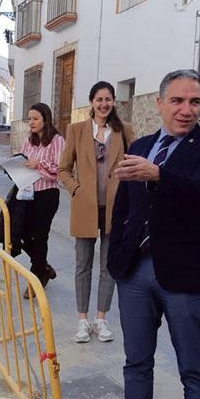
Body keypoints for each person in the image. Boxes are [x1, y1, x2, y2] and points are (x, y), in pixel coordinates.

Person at [105, 70, 200, 399]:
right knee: (136, 363)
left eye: (194, 101)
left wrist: (158, 174)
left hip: (184, 276)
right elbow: (124, 203)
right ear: (158, 104)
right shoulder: (140, 145)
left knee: (194, 369)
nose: (186, 110)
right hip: (136, 273)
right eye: (177, 101)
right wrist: (117, 253)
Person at [58, 81, 134, 343]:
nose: (104, 104)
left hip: (115, 208)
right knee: (82, 265)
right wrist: (76, 189)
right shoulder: (76, 130)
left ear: (114, 102)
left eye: (108, 99)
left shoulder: (124, 131)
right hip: (85, 207)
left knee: (108, 266)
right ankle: (82, 320)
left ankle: (101, 319)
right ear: (91, 102)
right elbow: (63, 169)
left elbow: (133, 166)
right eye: (99, 99)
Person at [20, 103, 64, 289]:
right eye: (29, 118)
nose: (31, 122)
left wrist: (39, 165)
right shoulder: (29, 141)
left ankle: (36, 277)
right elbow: (22, 159)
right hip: (26, 192)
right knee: (19, 233)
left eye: (35, 119)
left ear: (46, 120)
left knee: (39, 236)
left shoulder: (57, 140)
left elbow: (61, 170)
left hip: (47, 194)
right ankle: (43, 266)